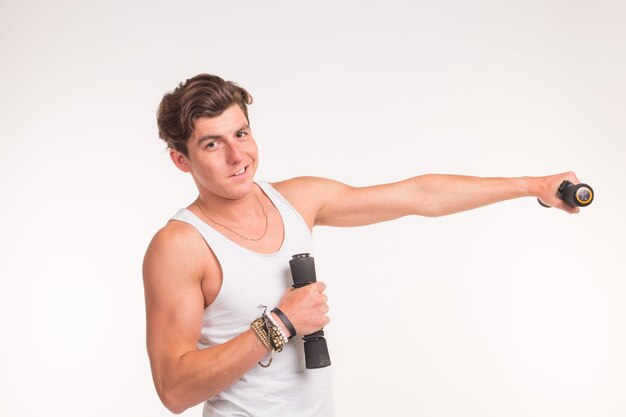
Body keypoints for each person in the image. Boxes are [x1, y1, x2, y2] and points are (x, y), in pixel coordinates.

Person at [143, 74, 580, 416]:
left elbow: (420, 195)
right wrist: (279, 323)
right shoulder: (180, 245)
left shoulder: (298, 200)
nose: (237, 157)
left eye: (241, 134)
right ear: (181, 159)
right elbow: (174, 390)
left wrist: (532, 185)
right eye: (213, 144)